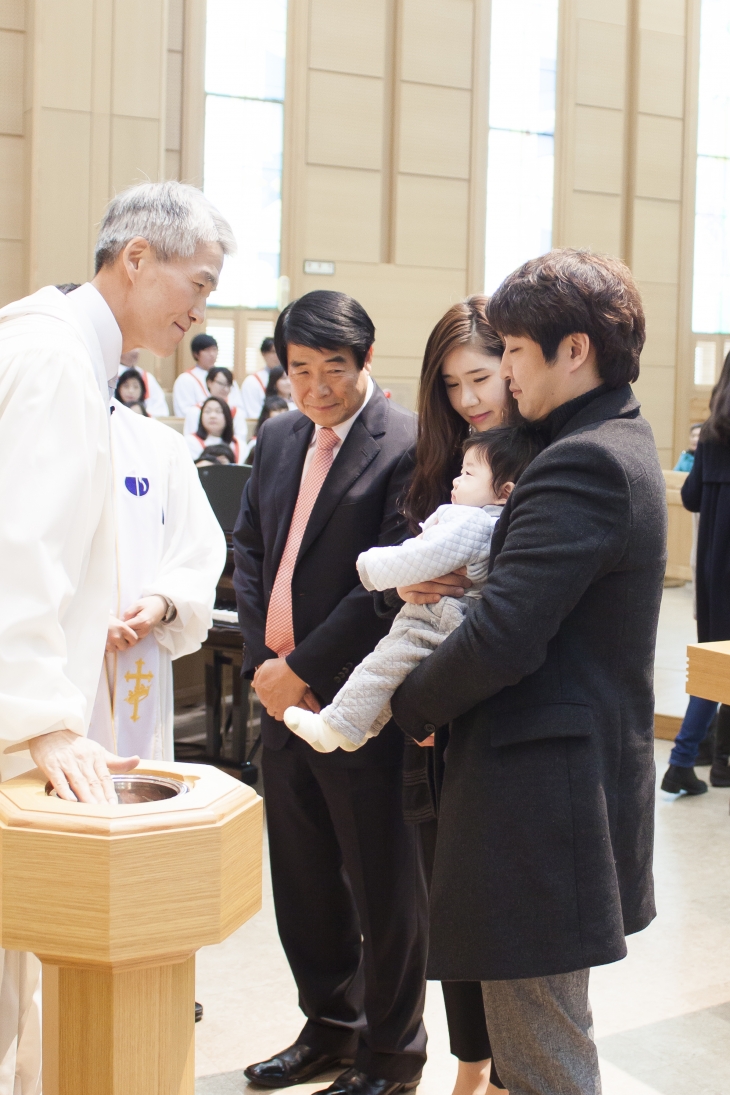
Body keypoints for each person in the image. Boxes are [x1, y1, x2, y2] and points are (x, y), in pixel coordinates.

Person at [388, 250, 665, 1095]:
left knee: (542, 1056)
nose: (504, 371)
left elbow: (505, 635)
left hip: (544, 800)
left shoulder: (583, 462)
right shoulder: (605, 439)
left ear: (573, 350)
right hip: (555, 790)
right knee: (537, 1043)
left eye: (512, 350)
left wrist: (410, 702)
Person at [0, 178, 233, 1094]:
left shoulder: (54, 347)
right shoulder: (57, 359)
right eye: (198, 283)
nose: (200, 310)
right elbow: (20, 548)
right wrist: (43, 719)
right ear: (136, 258)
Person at [233, 290, 427, 1095]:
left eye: (333, 369)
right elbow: (250, 549)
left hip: (359, 707)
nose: (315, 387)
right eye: (299, 369)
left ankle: (392, 1055)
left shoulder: (406, 443)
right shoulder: (280, 436)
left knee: (382, 885)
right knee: (305, 881)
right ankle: (329, 1028)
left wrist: (305, 668)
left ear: (366, 359)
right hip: (281, 699)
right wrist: (267, 667)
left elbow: (391, 584)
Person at [285, 427, 540, 750]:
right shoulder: (494, 524)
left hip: (438, 619)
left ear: (504, 492)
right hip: (447, 618)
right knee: (390, 671)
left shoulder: (474, 522)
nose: (456, 481)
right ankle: (355, 729)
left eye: (468, 474)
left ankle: (336, 728)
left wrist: (372, 565)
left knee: (383, 666)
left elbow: (424, 556)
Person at [88, 399, 225, 760]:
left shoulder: (158, 442)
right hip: (67, 650)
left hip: (141, 637)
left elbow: (200, 543)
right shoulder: (32, 428)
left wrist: (164, 601)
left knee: (142, 770)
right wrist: (85, 621)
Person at [662, 352, 730, 794]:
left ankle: (689, 758)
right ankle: (695, 759)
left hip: (714, 567)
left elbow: (690, 497)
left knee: (716, 662)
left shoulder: (710, 435)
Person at [182, 365, 247, 441]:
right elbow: (190, 439)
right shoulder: (195, 411)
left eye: (228, 385)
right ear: (209, 383)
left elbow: (240, 440)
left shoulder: (236, 412)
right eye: (221, 384)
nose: (225, 389)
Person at [186, 396, 240, 463]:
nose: (212, 416)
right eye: (207, 411)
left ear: (227, 416)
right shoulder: (190, 442)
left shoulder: (238, 445)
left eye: (218, 411)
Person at [239, 335, 280, 418]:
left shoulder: (290, 379)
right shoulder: (252, 381)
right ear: (263, 354)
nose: (278, 356)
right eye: (273, 352)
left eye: (280, 352)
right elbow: (253, 413)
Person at [119, 348, 169, 416]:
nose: (136, 351)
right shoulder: (110, 376)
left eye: (136, 387)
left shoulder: (146, 377)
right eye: (132, 347)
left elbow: (161, 411)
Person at [242, 395, 290, 463]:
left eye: (285, 410)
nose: (283, 414)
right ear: (266, 415)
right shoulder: (255, 443)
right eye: (277, 410)